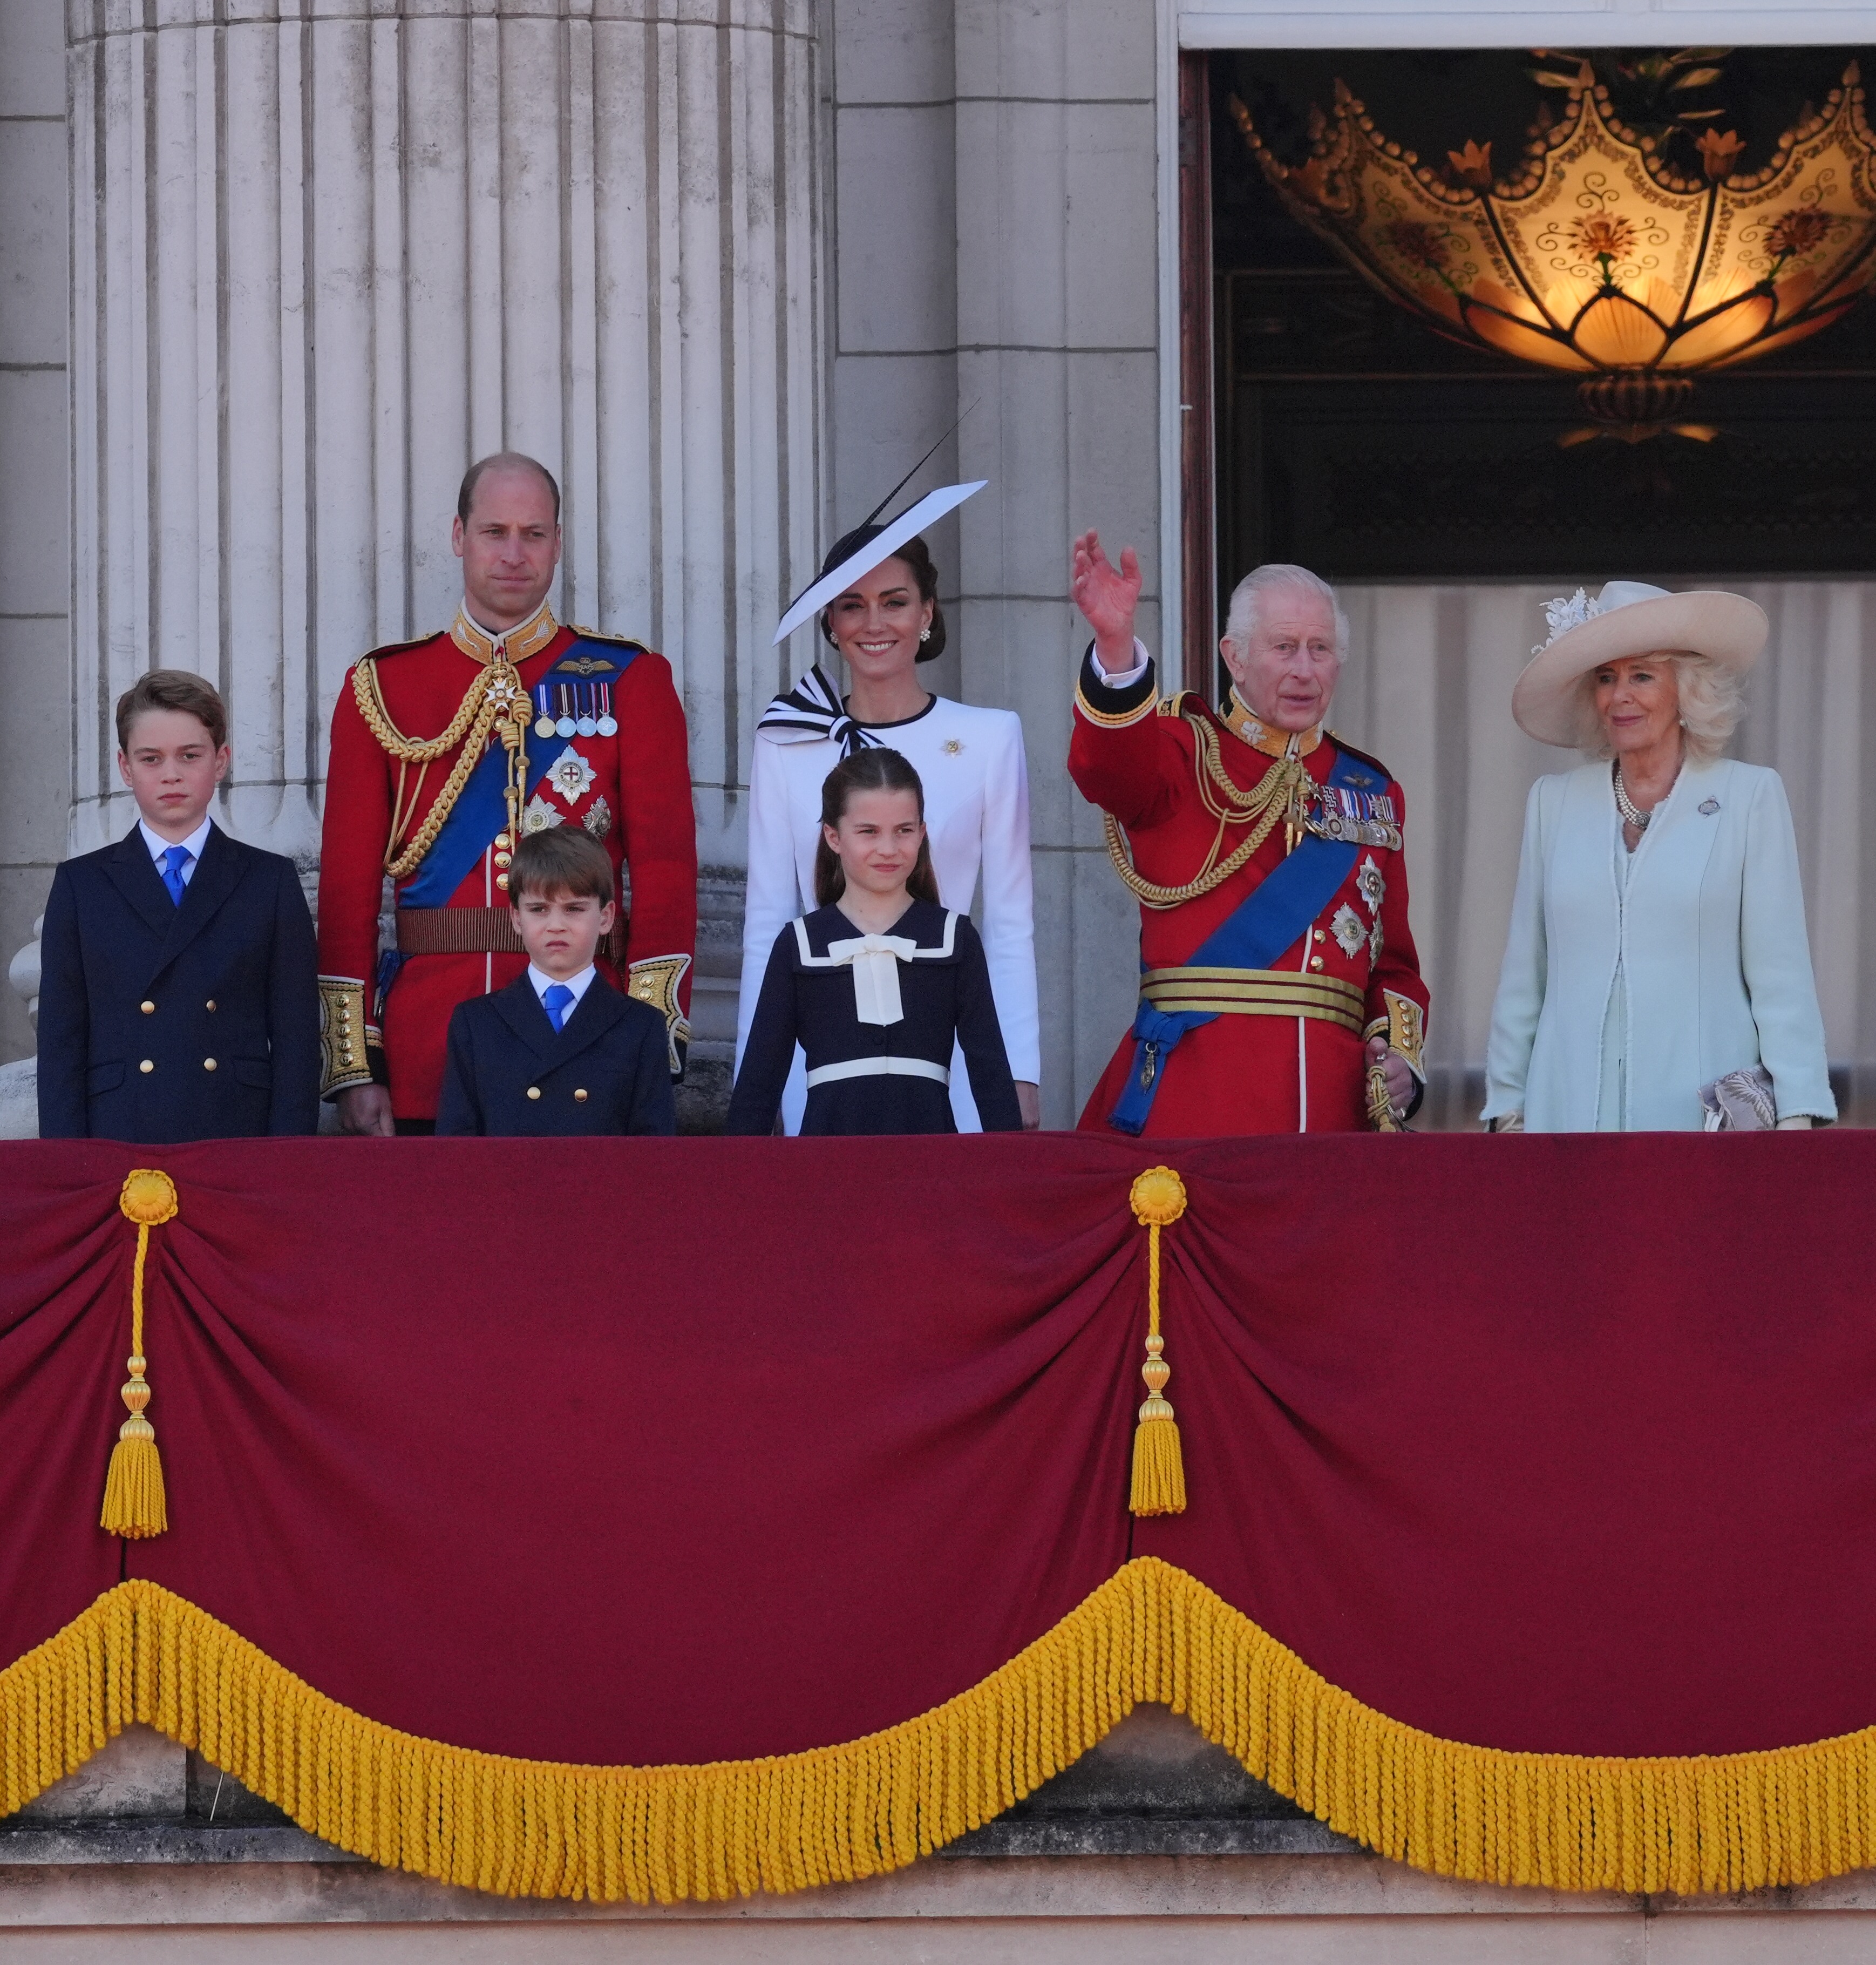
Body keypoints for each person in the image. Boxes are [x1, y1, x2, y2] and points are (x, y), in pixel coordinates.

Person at [317, 452, 697, 1134]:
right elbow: (346, 894)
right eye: (495, 532)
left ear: (558, 541)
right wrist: (357, 1063)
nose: (515, 554)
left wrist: (653, 1038)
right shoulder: (381, 688)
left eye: (535, 533)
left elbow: (666, 876)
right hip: (426, 1046)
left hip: (591, 1041)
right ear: (458, 537)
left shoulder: (629, 680)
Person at [1068, 536, 1428, 1135]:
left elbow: (1392, 966)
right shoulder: (1183, 754)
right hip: (1197, 1098)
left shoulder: (1371, 791)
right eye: (1284, 647)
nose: (1304, 670)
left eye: (1320, 650)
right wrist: (1114, 645)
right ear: (1233, 657)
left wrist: (1398, 1061)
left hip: (1330, 1113)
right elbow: (1106, 768)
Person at [1484, 580, 1834, 1133]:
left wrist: (1793, 1114)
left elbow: (1780, 975)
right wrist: (1506, 1107)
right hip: (1565, 1116)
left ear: (1685, 691)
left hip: (1702, 1122)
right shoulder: (1553, 803)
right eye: (1605, 677)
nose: (1619, 696)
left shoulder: (1748, 797)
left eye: (1641, 675)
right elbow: (1525, 973)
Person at [739, 488, 1039, 1132]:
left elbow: (1011, 925)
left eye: (894, 602)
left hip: (953, 1059)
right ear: (830, 622)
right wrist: (756, 1085)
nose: (874, 623)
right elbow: (767, 923)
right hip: (820, 1071)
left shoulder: (991, 738)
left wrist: (1019, 1070)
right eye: (852, 605)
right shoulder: (785, 741)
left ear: (927, 612)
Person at [37, 670, 320, 1142]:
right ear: (126, 768)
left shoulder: (269, 881)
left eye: (190, 756)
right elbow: (61, 1044)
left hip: (235, 1130)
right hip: (119, 1132)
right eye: (152, 759)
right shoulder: (80, 885)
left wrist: (286, 1159)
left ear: (221, 760)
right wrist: (69, 1164)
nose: (171, 774)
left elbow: (296, 1041)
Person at [728, 749, 1022, 1136]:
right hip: (828, 1165)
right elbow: (758, 1084)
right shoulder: (799, 944)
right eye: (869, 831)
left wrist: (1014, 1175)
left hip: (930, 1162)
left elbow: (991, 1072)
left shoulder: (954, 938)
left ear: (922, 833)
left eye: (904, 830)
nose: (889, 849)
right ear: (833, 836)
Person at [436, 828, 675, 1136]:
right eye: (539, 910)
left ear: (606, 917)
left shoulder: (642, 1026)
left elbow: (653, 1153)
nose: (556, 926)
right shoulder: (476, 1023)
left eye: (574, 909)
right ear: (517, 919)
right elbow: (457, 1149)